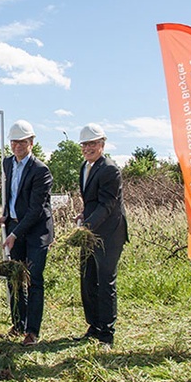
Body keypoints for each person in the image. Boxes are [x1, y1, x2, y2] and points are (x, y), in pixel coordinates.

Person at [0, 120, 54, 346]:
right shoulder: (8, 163)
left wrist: (15, 233)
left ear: (31, 143)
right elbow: (12, 195)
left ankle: (32, 331)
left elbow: (35, 209)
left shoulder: (41, 170)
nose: (17, 146)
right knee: (15, 278)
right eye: (14, 142)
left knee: (34, 278)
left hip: (36, 230)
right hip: (15, 228)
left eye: (22, 142)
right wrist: (6, 216)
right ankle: (18, 323)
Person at [74, 123, 128, 349]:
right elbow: (92, 201)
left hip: (109, 233)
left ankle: (107, 333)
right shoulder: (85, 167)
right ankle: (94, 326)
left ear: (102, 144)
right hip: (90, 232)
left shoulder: (109, 169)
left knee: (105, 282)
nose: (89, 148)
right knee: (88, 280)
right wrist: (83, 216)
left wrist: (86, 226)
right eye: (85, 144)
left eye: (93, 144)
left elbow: (107, 204)